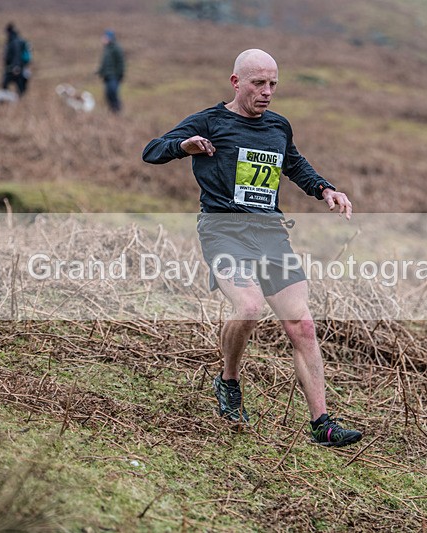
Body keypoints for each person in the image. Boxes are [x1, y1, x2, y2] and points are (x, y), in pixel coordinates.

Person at [142, 49, 363, 447]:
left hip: (270, 235)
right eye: (258, 83)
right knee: (248, 306)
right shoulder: (209, 121)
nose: (266, 92)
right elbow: (152, 149)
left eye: (273, 84)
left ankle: (322, 425)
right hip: (223, 231)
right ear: (236, 82)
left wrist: (325, 189)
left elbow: (293, 163)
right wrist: (185, 146)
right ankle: (228, 381)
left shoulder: (278, 126)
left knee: (303, 325)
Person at [97, 30, 125, 113]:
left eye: (105, 37)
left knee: (113, 93)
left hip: (114, 76)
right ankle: (112, 111)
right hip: (107, 76)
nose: (103, 39)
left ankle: (117, 111)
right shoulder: (107, 49)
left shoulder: (116, 48)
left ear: (110, 38)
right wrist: (100, 71)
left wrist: (120, 75)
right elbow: (105, 63)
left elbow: (121, 62)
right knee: (108, 95)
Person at [1, 23, 29, 96]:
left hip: (15, 68)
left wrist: (16, 66)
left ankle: (14, 101)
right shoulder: (14, 40)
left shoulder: (15, 42)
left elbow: (17, 55)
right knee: (17, 86)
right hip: (14, 68)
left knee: (11, 85)